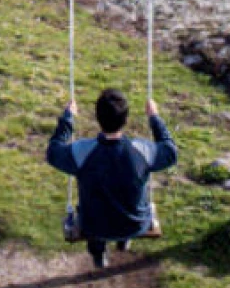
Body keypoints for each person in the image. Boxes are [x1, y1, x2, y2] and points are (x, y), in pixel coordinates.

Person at [45, 87, 178, 268]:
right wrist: (154, 117)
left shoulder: (81, 151)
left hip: (93, 226)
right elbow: (170, 153)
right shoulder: (143, 150)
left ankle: (99, 256)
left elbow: (53, 153)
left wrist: (67, 118)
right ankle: (123, 242)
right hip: (135, 224)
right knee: (126, 215)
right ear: (126, 119)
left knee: (96, 224)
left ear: (97, 118)